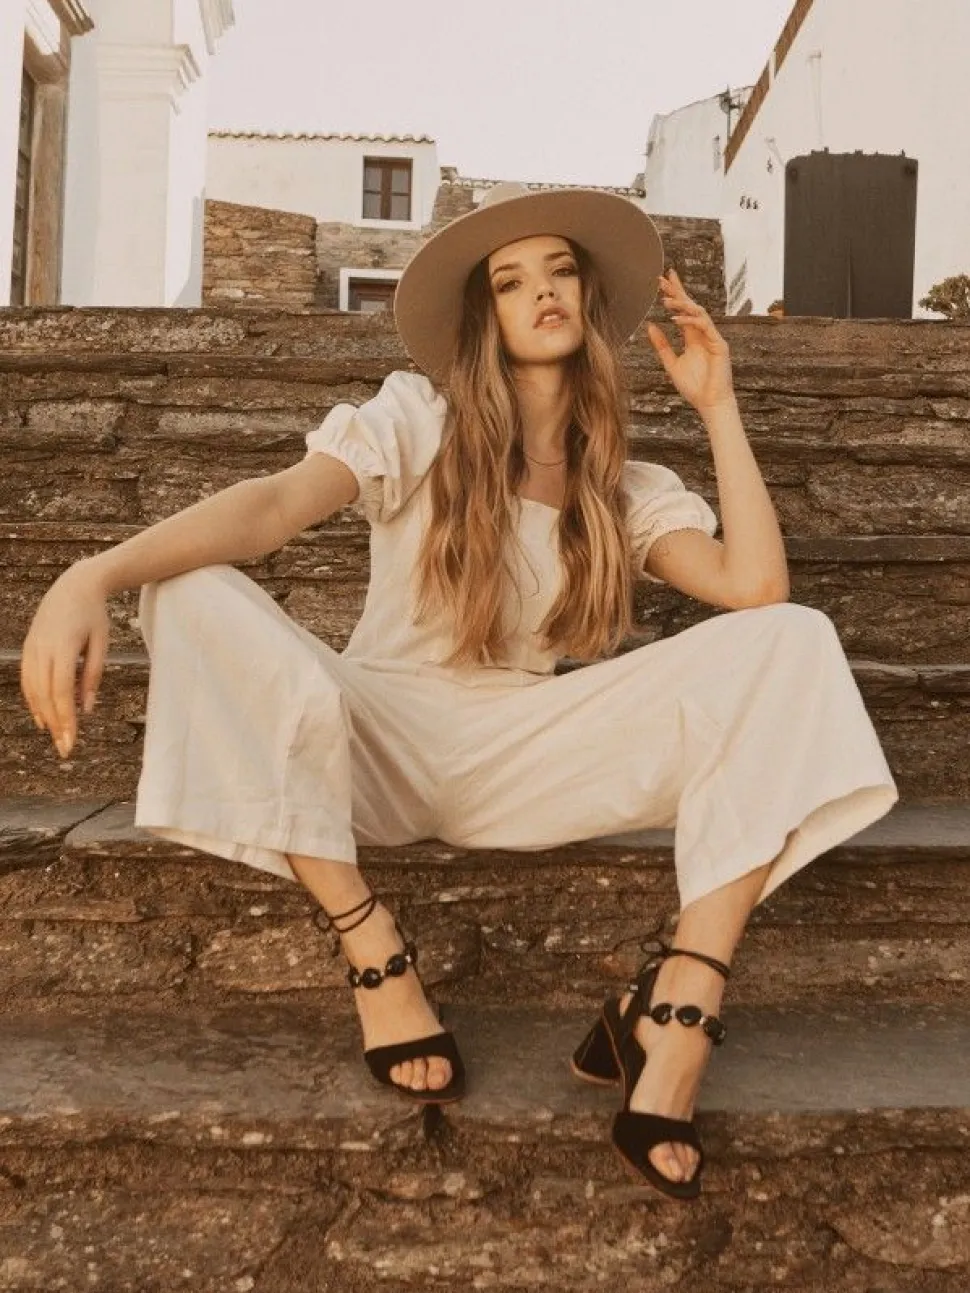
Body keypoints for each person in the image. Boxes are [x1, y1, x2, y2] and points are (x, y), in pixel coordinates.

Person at [19, 182, 899, 1202]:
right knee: (190, 586)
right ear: (484, 315)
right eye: (511, 281)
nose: (543, 292)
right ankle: (372, 948)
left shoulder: (623, 487)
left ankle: (677, 1007)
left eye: (559, 272)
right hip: (375, 737)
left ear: (588, 298)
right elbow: (270, 508)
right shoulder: (416, 419)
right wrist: (90, 574)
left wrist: (718, 406)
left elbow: (755, 588)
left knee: (792, 640)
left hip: (526, 750)